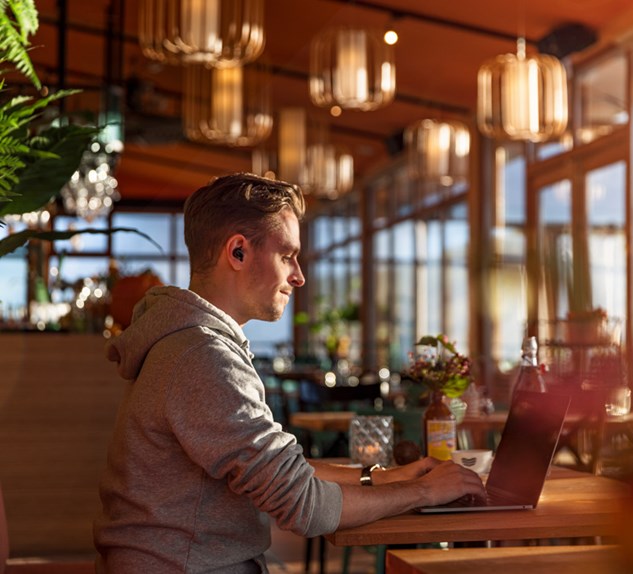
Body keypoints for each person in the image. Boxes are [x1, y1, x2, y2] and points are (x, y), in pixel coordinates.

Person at [93, 173, 485, 573]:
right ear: (239, 252)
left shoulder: (192, 345)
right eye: (287, 256)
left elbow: (281, 471)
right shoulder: (203, 356)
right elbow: (303, 506)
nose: (299, 276)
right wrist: (424, 491)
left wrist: (382, 477)